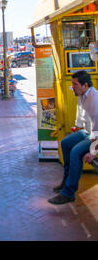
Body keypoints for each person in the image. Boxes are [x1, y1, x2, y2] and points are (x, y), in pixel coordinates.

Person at [48, 70, 98, 205]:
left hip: (95, 136)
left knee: (75, 152)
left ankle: (69, 193)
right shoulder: (82, 94)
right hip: (88, 132)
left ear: (85, 85)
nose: (72, 87)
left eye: (75, 84)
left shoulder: (94, 100)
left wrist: (93, 152)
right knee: (65, 143)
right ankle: (66, 181)